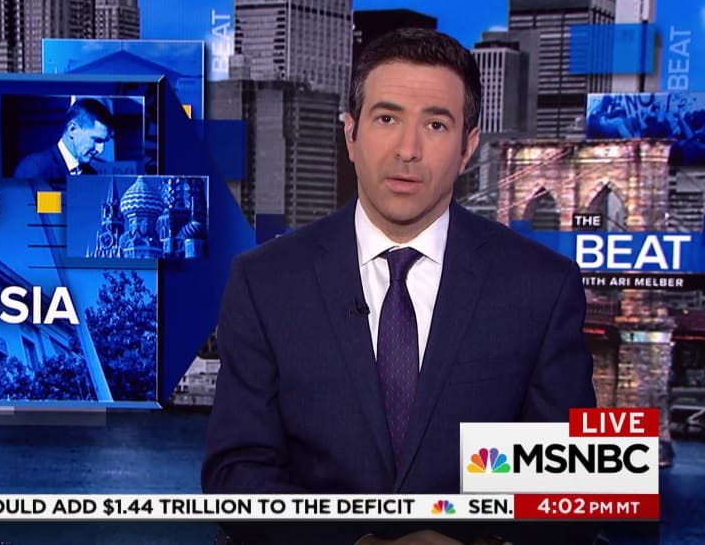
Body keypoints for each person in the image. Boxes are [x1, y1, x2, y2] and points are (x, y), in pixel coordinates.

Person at [201, 28, 597, 544]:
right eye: (387, 119)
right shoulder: (265, 281)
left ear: (467, 147)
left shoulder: (541, 286)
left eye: (436, 124)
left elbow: (571, 491)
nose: (408, 150)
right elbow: (235, 474)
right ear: (350, 134)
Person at [13, 97, 114, 190]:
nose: (100, 150)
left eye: (103, 142)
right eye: (96, 140)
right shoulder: (35, 168)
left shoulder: (91, 176)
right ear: (72, 129)